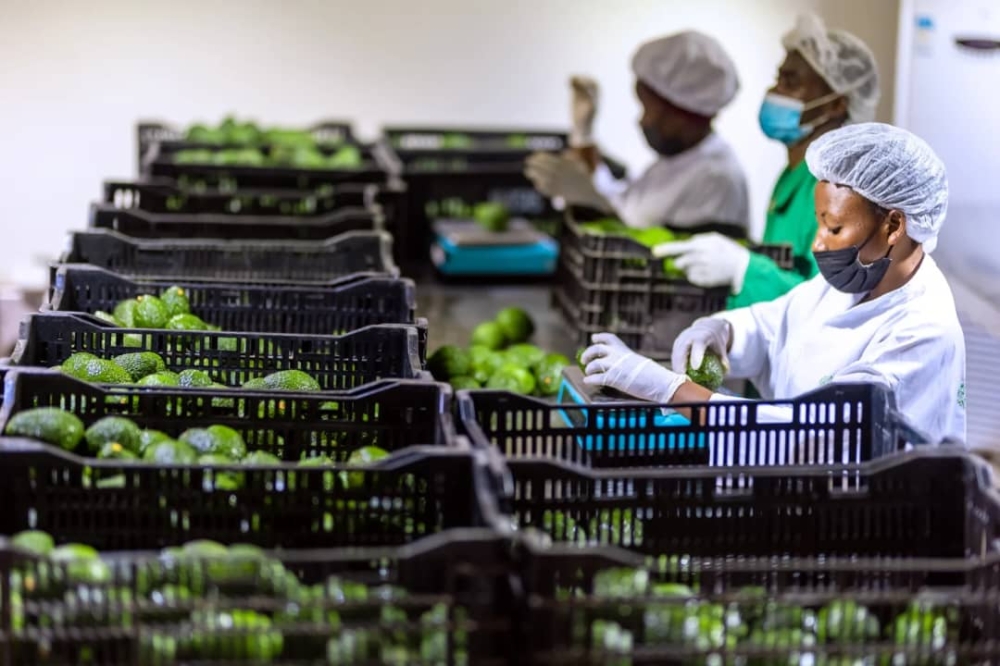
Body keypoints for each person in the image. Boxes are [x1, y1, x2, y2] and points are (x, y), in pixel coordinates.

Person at [580, 123, 966, 445]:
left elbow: (812, 434)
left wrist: (668, 390)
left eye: (834, 227)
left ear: (894, 225)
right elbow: (776, 323)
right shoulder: (860, 278)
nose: (818, 242)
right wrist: (723, 331)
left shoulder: (923, 331)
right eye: (819, 223)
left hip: (875, 520)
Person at [655, 13, 881, 309]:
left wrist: (744, 269)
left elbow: (834, 301)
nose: (774, 91)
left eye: (791, 81)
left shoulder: (841, 190)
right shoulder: (794, 175)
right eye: (779, 78)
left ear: (837, 104)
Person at [524, 30, 749, 231]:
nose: (641, 122)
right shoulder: (673, 163)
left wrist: (593, 202)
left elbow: (661, 259)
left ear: (682, 114)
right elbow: (619, 204)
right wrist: (583, 136)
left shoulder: (715, 179)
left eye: (648, 109)